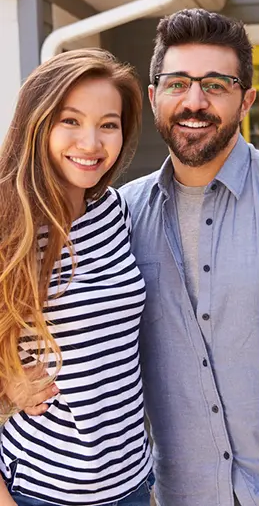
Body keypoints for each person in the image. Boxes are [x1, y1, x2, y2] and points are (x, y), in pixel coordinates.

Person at [119, 9, 259, 506]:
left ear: (246, 100)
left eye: (216, 85)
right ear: (154, 96)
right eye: (178, 84)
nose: (194, 102)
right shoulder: (118, 217)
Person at [0, 49, 153, 505]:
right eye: (71, 120)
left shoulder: (115, 213)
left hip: (132, 482)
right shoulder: (10, 230)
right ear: (38, 123)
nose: (91, 143)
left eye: (108, 124)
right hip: (44, 492)